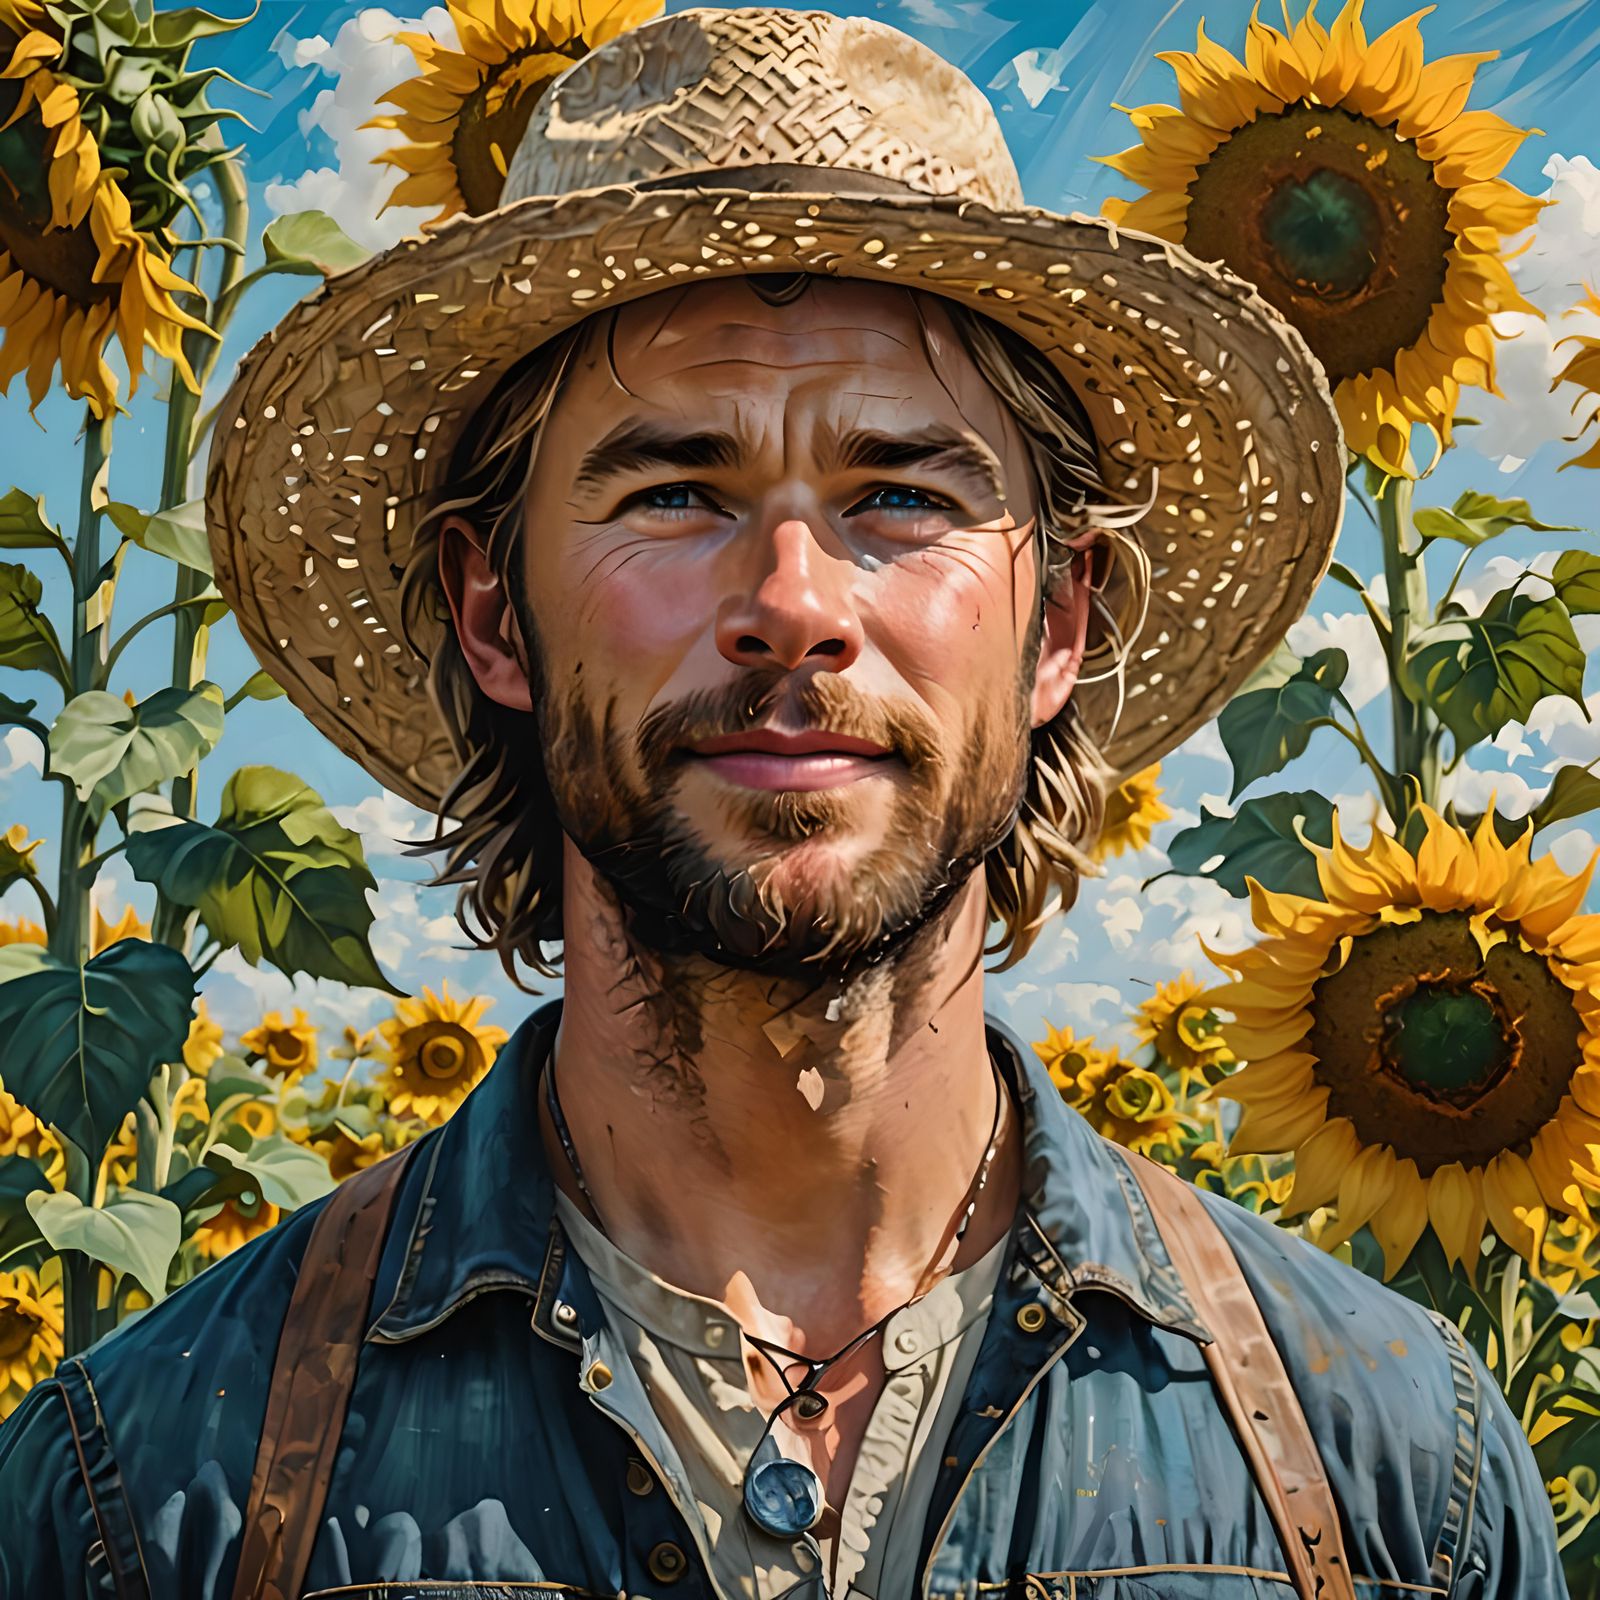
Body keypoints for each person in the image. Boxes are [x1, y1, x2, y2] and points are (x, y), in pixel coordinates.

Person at [0, 8, 1565, 1599]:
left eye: (902, 494)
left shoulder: (1385, 1478)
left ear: (1062, 621)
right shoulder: (151, 1492)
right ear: (492, 614)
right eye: (676, 491)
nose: (791, 601)